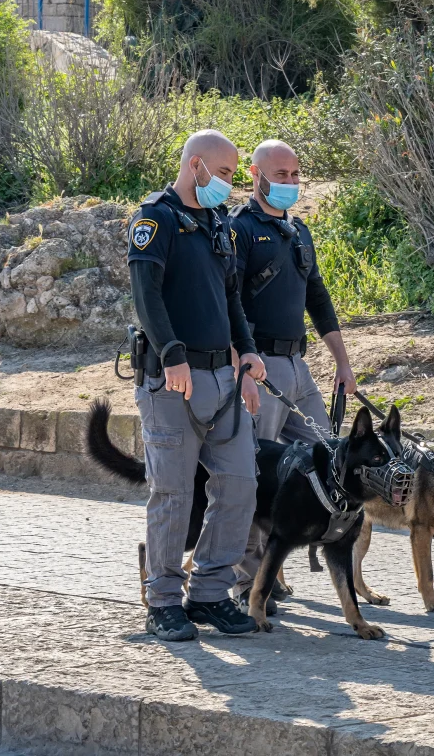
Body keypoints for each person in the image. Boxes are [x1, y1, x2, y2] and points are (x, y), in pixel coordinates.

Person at [127, 129, 267, 641]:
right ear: (195, 167)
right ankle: (163, 600)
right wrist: (171, 355)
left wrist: (247, 350)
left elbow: (231, 298)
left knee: (240, 484)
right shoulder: (155, 217)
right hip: (173, 380)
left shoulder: (217, 224)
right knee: (173, 492)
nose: (231, 184)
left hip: (222, 378)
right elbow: (147, 294)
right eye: (226, 173)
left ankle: (209, 592)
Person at [228, 139, 356, 601]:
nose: (289, 182)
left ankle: (322, 557)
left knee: (329, 457)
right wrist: (242, 364)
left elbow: (318, 300)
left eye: (295, 174)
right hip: (259, 366)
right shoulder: (240, 230)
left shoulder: (299, 232)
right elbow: (231, 301)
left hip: (299, 369)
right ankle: (250, 582)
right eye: (280, 174)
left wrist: (342, 364)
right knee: (252, 472)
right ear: (256, 177)